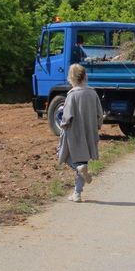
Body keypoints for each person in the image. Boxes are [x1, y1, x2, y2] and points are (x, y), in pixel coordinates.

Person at [57, 64, 104, 202]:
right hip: (89, 133)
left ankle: (78, 168)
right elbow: (100, 115)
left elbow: (66, 118)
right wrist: (97, 127)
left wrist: (62, 124)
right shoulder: (93, 93)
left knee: (62, 154)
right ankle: (77, 194)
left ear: (72, 77)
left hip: (74, 133)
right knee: (83, 161)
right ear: (85, 76)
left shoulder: (72, 95)